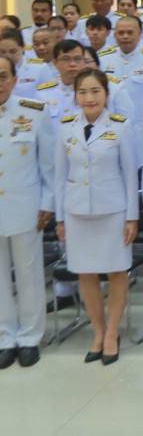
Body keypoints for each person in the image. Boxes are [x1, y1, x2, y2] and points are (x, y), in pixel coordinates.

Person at [52, 69, 139, 364]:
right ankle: (97, 332)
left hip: (112, 211)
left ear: (106, 94)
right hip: (77, 212)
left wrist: (132, 217)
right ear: (75, 96)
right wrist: (60, 218)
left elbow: (129, 175)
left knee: (116, 272)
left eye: (95, 91)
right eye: (83, 92)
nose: (89, 98)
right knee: (85, 272)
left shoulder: (121, 126)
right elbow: (60, 176)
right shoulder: (65, 128)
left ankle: (113, 332)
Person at [0, 56, 52, 369]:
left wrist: (47, 203)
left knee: (29, 273)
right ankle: (5, 337)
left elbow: (47, 164)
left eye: (3, 75)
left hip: (25, 205)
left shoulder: (34, 112)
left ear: (15, 79)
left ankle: (30, 337)